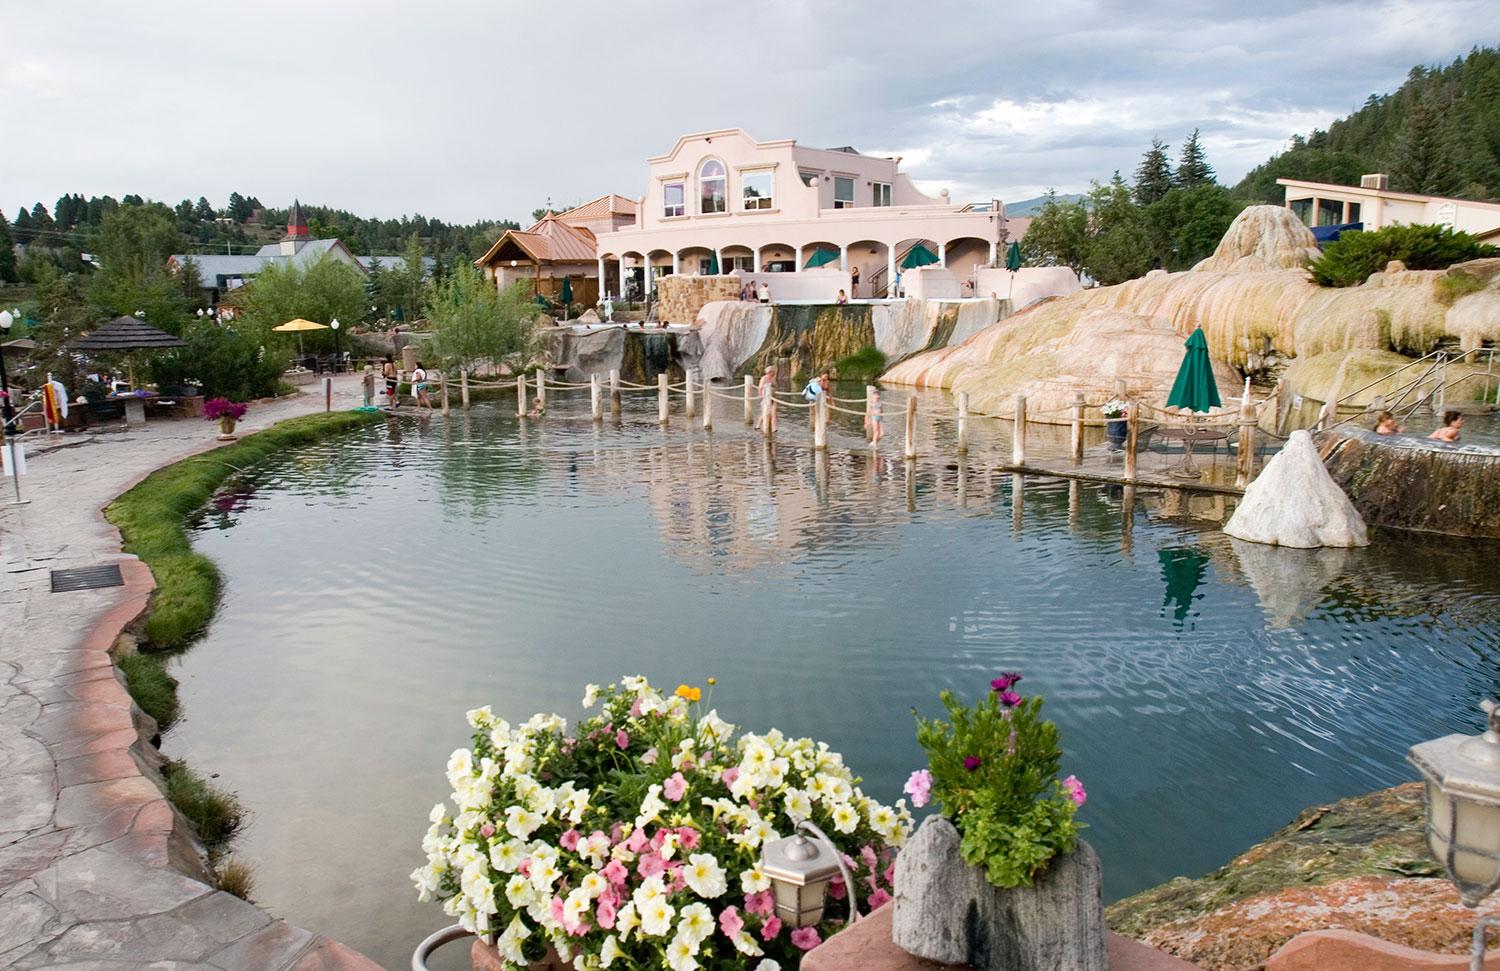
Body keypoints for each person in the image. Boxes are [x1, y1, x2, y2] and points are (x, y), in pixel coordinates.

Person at [754, 365, 778, 432]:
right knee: (764, 413)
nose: (773, 374)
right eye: (772, 372)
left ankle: (774, 427)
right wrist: (762, 396)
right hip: (765, 398)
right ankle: (758, 425)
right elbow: (760, 389)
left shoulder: (773, 379)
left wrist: (773, 389)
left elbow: (776, 387)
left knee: (774, 413)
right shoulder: (764, 378)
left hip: (773, 398)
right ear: (770, 372)